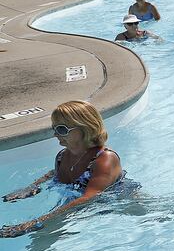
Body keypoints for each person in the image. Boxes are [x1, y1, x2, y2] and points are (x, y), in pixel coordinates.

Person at [1, 101, 124, 238]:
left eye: (61, 129)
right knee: (41, 236)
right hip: (78, 205)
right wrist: (33, 186)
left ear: (86, 128)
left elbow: (90, 197)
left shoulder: (105, 159)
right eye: (54, 128)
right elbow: (54, 173)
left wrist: (36, 222)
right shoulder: (62, 156)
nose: (55, 134)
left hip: (119, 201)